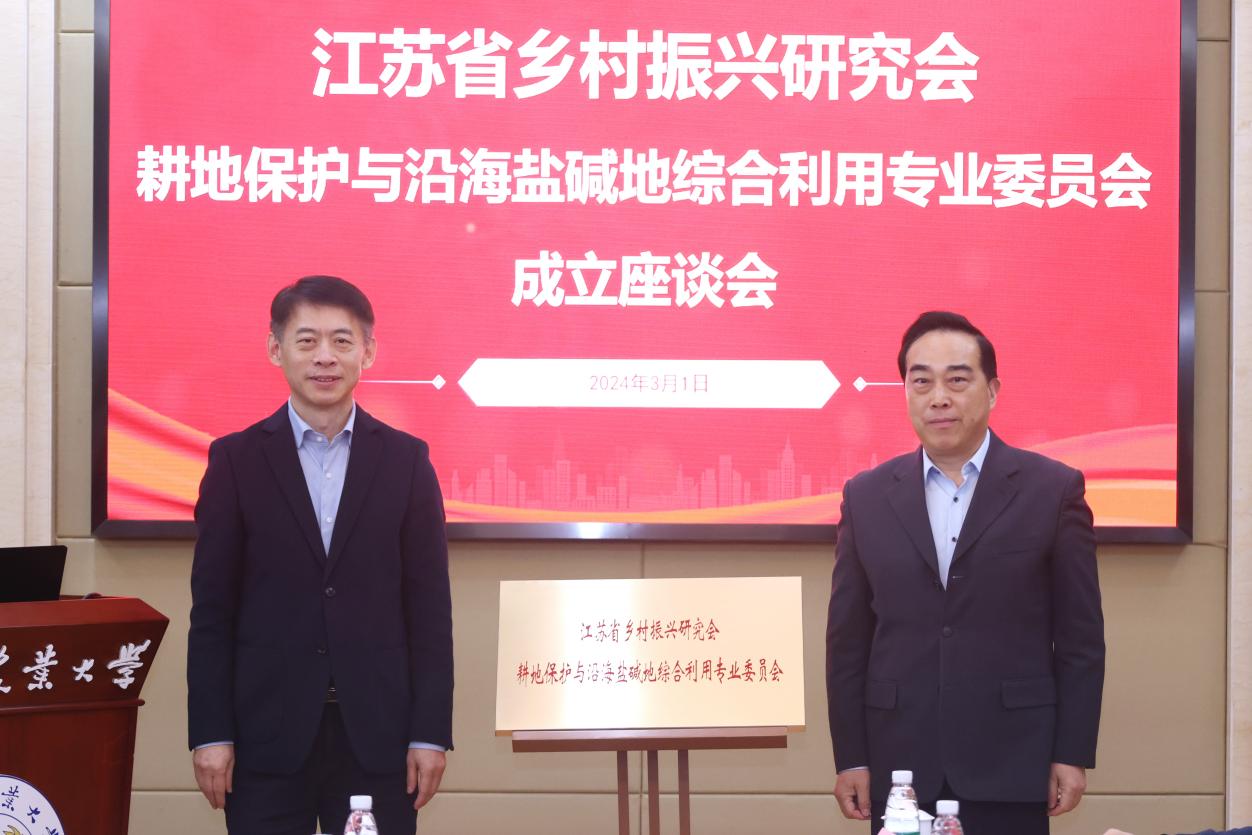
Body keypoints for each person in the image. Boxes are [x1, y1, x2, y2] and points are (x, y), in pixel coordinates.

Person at [187, 275, 454, 833]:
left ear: (368, 352)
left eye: (341, 341)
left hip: (377, 736)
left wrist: (430, 733)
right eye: (307, 341)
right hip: (264, 737)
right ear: (276, 349)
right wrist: (211, 732)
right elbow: (212, 612)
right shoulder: (235, 462)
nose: (325, 357)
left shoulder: (407, 462)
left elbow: (429, 612)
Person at [826, 311, 1105, 834]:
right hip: (900, 767)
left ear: (992, 390)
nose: (938, 398)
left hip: (1013, 758)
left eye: (957, 380)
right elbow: (848, 642)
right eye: (921, 382)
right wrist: (852, 757)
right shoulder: (866, 497)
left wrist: (1071, 751)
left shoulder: (1052, 491)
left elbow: (1080, 638)